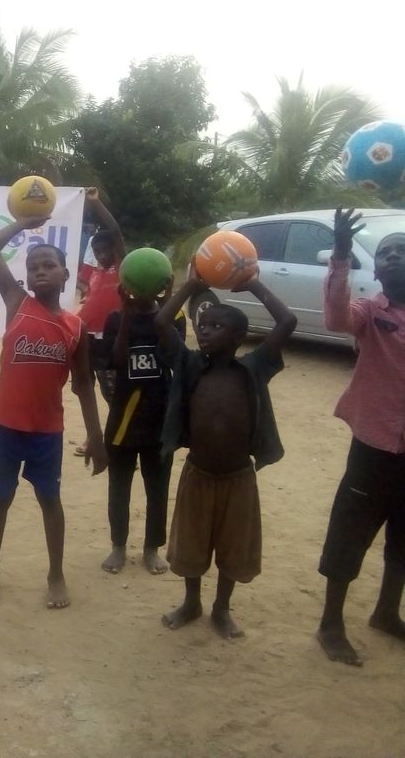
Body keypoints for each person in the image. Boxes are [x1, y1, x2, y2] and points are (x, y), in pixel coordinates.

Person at [154, 264, 296, 639]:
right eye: (202, 325)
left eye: (216, 326)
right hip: (198, 474)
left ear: (239, 336)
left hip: (238, 478)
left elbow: (287, 321)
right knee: (191, 544)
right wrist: (190, 287)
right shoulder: (188, 365)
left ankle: (221, 608)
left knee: (234, 548)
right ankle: (192, 603)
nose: (204, 330)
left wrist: (254, 286)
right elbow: (161, 322)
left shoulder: (254, 367)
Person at [0, 214, 108, 610]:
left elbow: (83, 385)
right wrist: (23, 222)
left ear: (67, 275)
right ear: (27, 278)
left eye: (49, 265)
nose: (40, 271)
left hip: (47, 431)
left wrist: (96, 437)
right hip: (5, 426)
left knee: (50, 500)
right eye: (34, 267)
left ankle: (56, 575)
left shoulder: (75, 328)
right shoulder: (17, 303)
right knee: (0, 499)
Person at [316, 209, 405, 667]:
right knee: (350, 533)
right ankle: (330, 624)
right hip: (373, 448)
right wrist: (341, 255)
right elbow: (335, 318)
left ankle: (386, 612)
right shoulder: (371, 312)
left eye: (401, 251)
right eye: (385, 253)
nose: (392, 257)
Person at [100, 285, 185, 575]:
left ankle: (152, 548)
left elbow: (174, 356)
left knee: (158, 489)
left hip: (159, 420)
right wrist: (126, 315)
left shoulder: (175, 317)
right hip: (123, 421)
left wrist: (168, 303)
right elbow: (117, 360)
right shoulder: (115, 318)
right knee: (119, 487)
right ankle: (118, 546)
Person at [76, 188, 126, 456]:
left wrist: (95, 204)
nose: (101, 254)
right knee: (85, 389)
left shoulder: (122, 267)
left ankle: (119, 439)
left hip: (109, 340)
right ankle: (93, 436)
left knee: (112, 393)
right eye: (96, 251)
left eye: (105, 250)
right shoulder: (95, 272)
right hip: (86, 338)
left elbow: (115, 231)